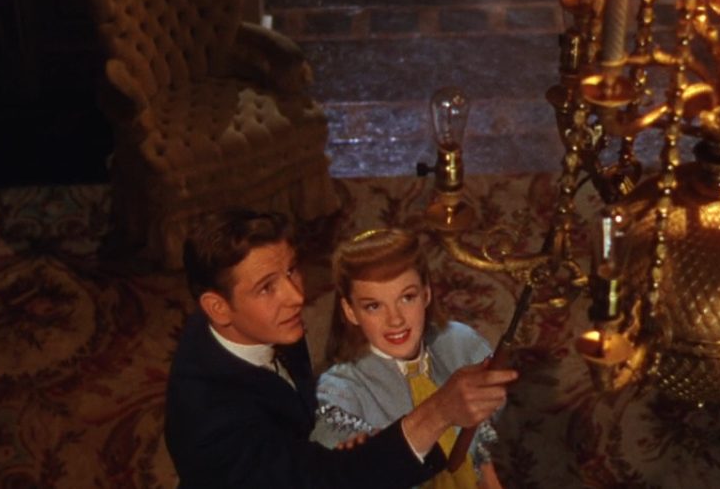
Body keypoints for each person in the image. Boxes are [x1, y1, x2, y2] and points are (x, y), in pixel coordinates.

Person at [164, 209, 517, 489]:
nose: (296, 296)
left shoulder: (256, 322)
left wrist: (351, 447)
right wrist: (438, 412)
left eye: (291, 271)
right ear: (218, 308)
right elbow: (322, 482)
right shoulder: (210, 425)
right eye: (267, 287)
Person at [313, 228, 504, 489]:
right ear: (350, 311)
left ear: (426, 293)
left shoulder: (460, 345)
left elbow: (480, 457)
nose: (395, 320)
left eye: (407, 297)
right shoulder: (341, 390)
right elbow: (343, 473)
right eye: (374, 306)